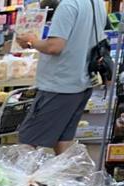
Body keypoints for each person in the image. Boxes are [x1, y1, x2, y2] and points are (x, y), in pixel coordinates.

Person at [16, 0, 107, 155]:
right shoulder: (97, 3)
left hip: (59, 84)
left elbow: (54, 46)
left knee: (28, 142)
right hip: (81, 82)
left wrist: (31, 41)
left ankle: (23, 172)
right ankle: (65, 171)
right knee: (63, 141)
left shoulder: (68, 5)